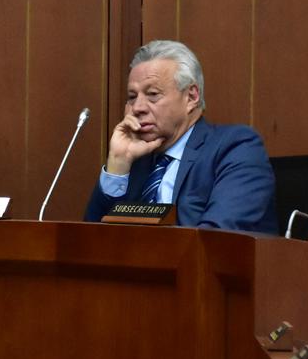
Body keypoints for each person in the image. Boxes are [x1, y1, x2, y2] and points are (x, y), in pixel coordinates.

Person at [83, 40, 278, 233]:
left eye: (152, 94)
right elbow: (90, 241)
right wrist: (118, 164)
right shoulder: (135, 162)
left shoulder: (236, 148)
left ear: (191, 97)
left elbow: (218, 239)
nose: (138, 108)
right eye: (132, 97)